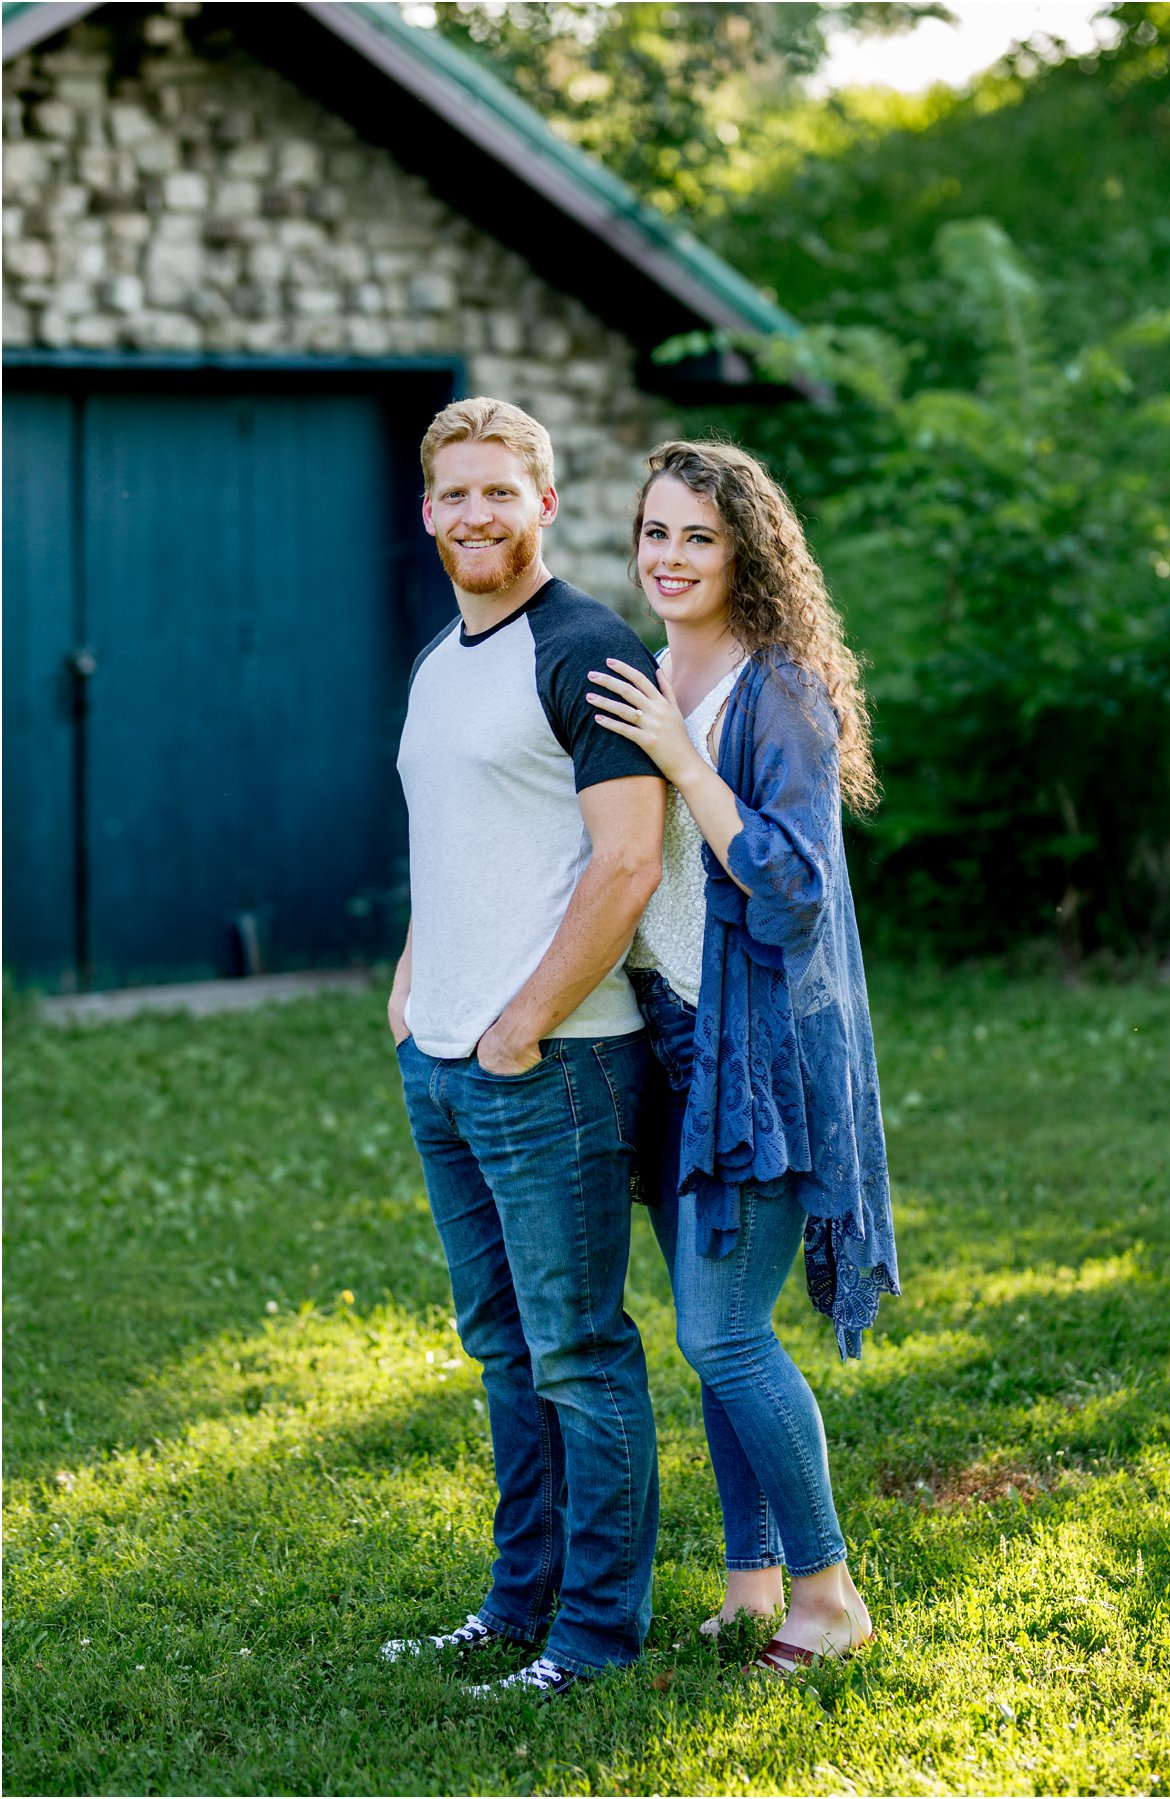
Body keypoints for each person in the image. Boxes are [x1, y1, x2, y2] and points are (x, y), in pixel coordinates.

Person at [583, 439, 895, 1675]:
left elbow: (790, 889)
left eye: (697, 536)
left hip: (756, 1056)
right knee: (718, 1328)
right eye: (654, 532)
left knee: (720, 1335)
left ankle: (828, 1595)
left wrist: (682, 758)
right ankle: (751, 1578)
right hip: (663, 1039)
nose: (669, 557)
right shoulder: (646, 670)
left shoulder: (781, 693)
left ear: (746, 552)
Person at [383, 397, 667, 1697]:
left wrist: (521, 1021)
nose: (476, 514)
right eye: (455, 494)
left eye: (501, 491)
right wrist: (414, 988)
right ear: (428, 508)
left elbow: (625, 863)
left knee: (578, 1351)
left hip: (552, 1066)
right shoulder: (443, 655)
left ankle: (594, 1633)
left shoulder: (589, 648)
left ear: (543, 502)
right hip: (442, 1061)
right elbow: (455, 840)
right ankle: (514, 1606)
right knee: (503, 1347)